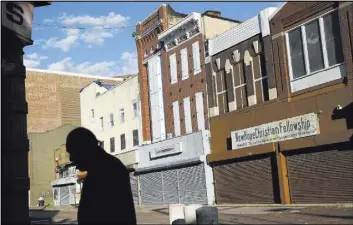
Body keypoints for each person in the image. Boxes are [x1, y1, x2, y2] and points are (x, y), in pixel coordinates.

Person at [66, 127, 136, 224]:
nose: (71, 158)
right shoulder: (100, 169)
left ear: (84, 149)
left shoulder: (108, 170)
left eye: (72, 152)